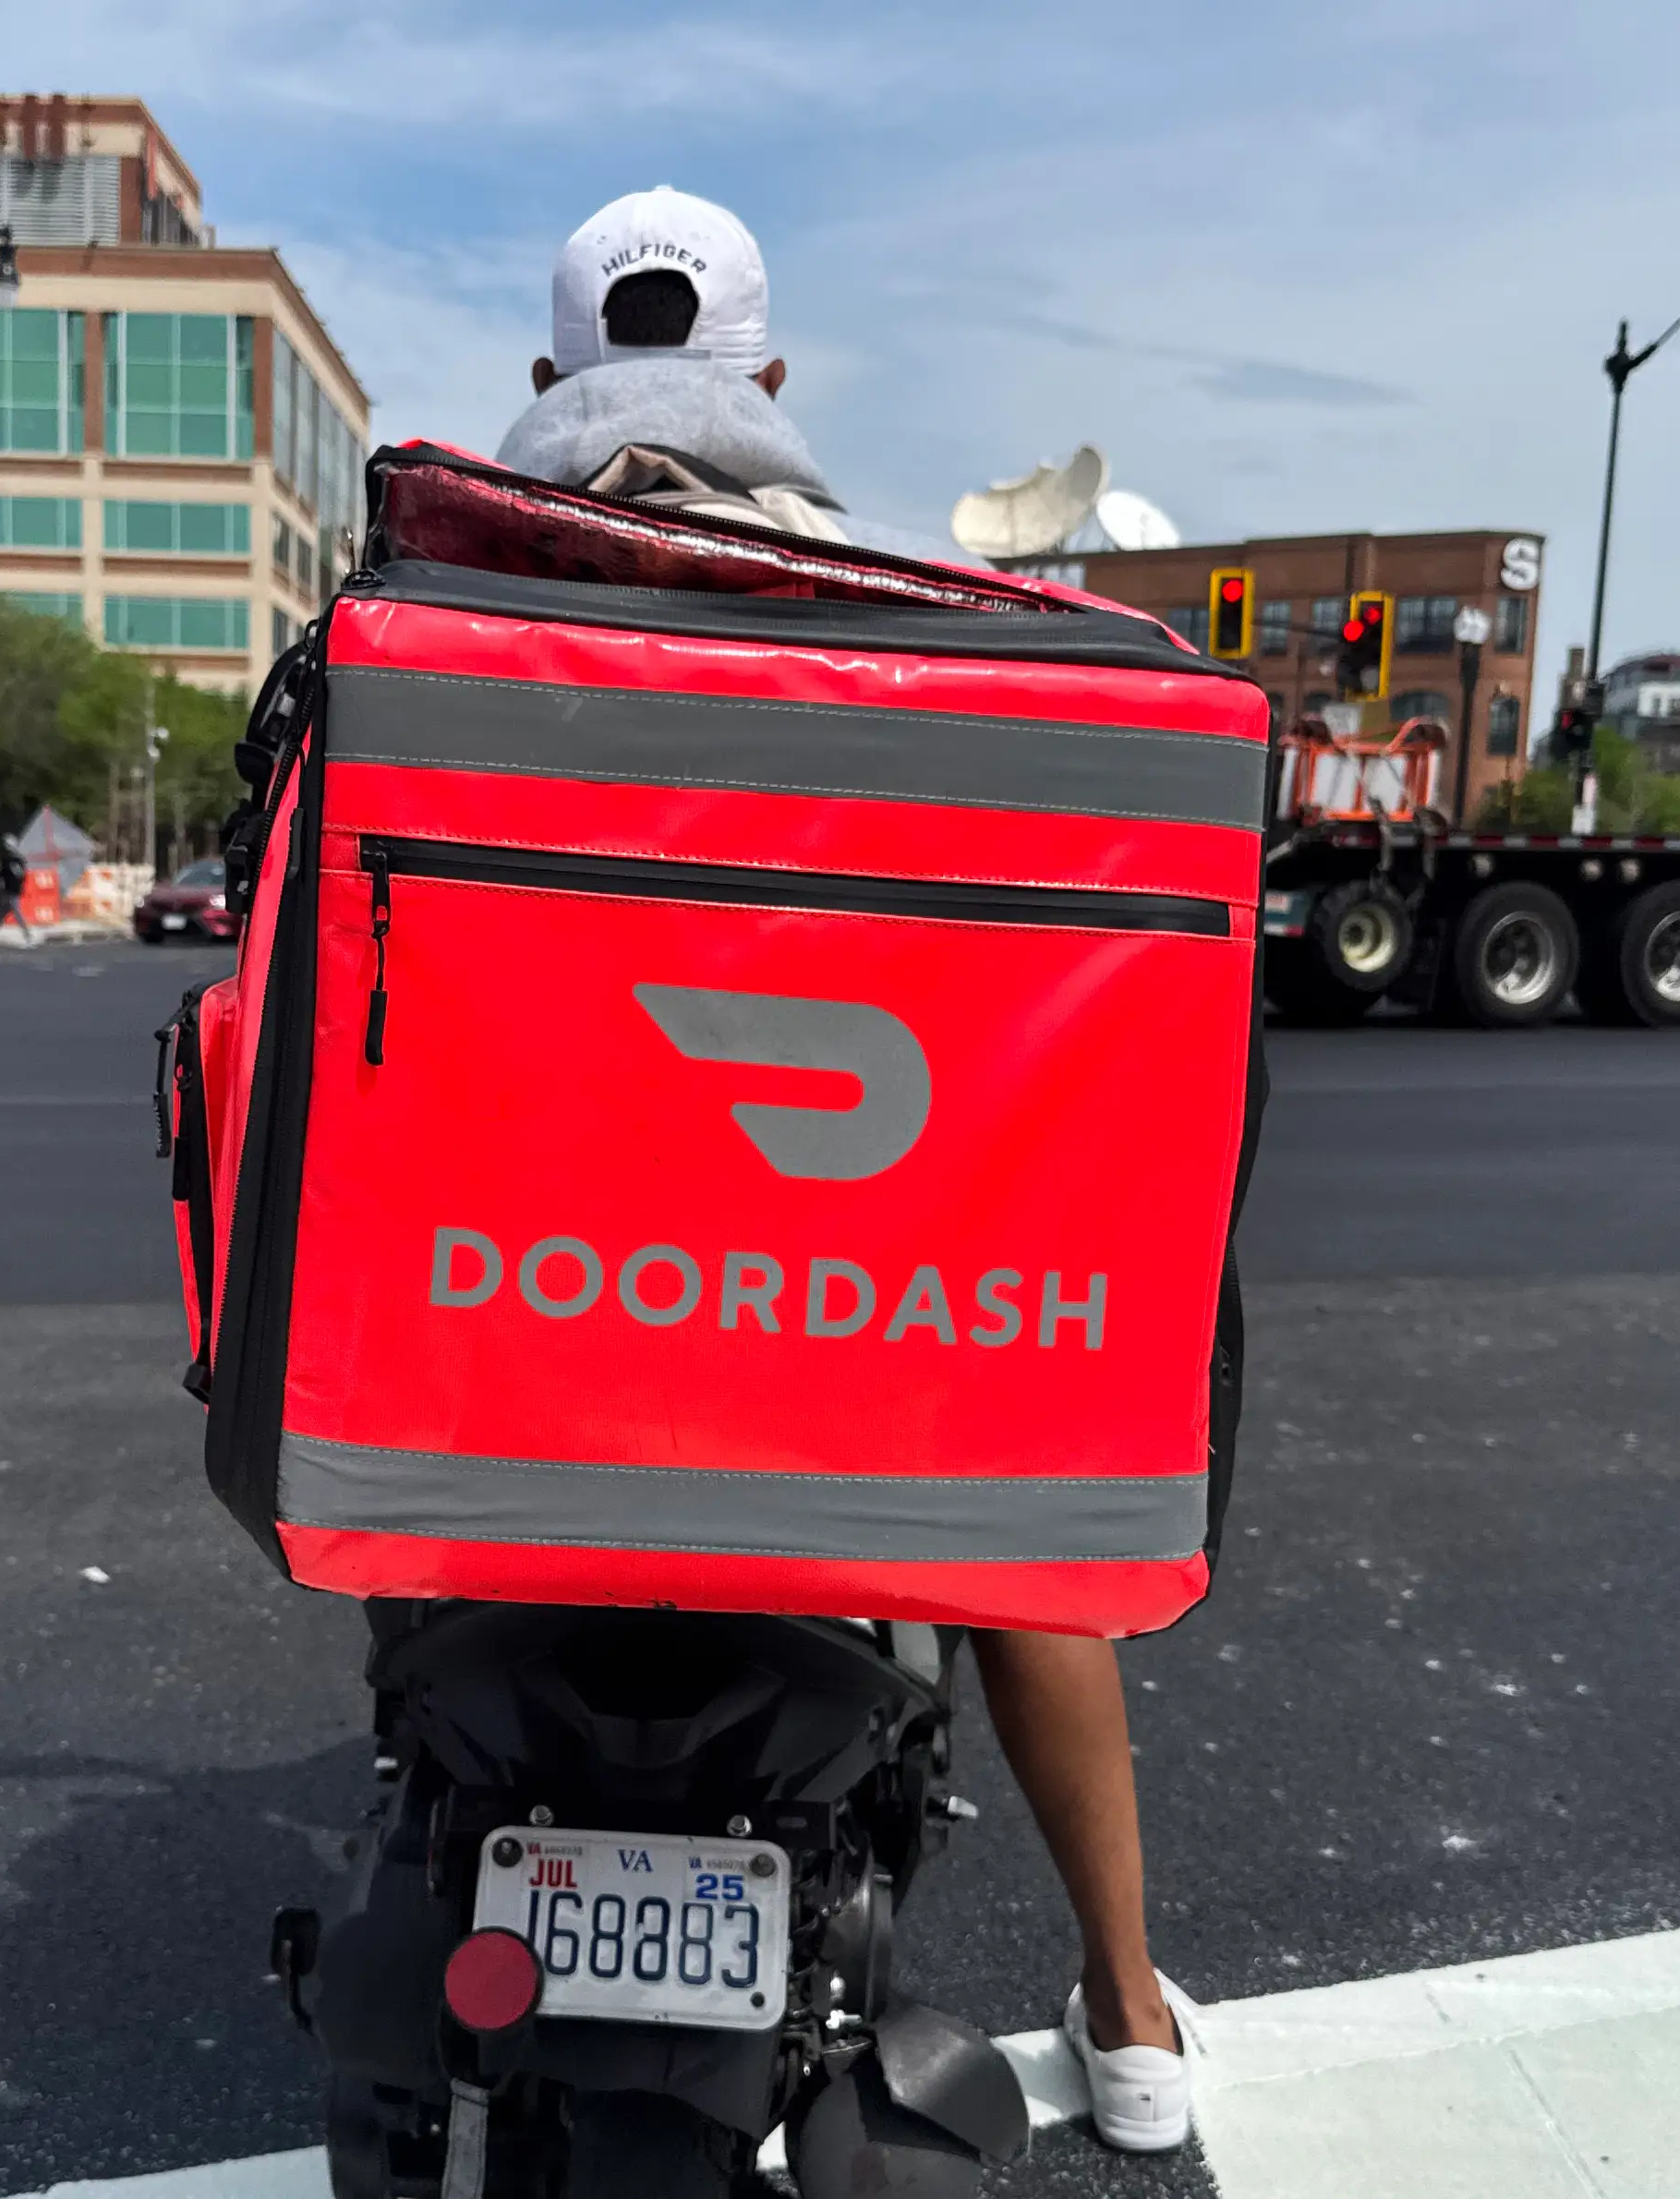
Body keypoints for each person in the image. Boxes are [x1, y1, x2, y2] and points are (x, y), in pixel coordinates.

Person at [497, 186, 1202, 2154]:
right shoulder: (909, 629)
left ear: (550, 379)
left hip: (527, 1284)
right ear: (773, 381)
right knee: (1025, 1531)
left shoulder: (441, 597)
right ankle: (1129, 2012)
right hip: (835, 1284)